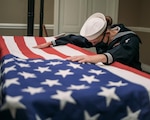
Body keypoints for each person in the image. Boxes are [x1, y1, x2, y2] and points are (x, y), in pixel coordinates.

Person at [33, 12, 142, 70]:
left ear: (107, 33)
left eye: (95, 42)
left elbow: (122, 53)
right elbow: (76, 39)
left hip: (131, 75)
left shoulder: (131, 39)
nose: (92, 44)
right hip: (111, 71)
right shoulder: (99, 37)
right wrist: (53, 42)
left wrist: (94, 58)